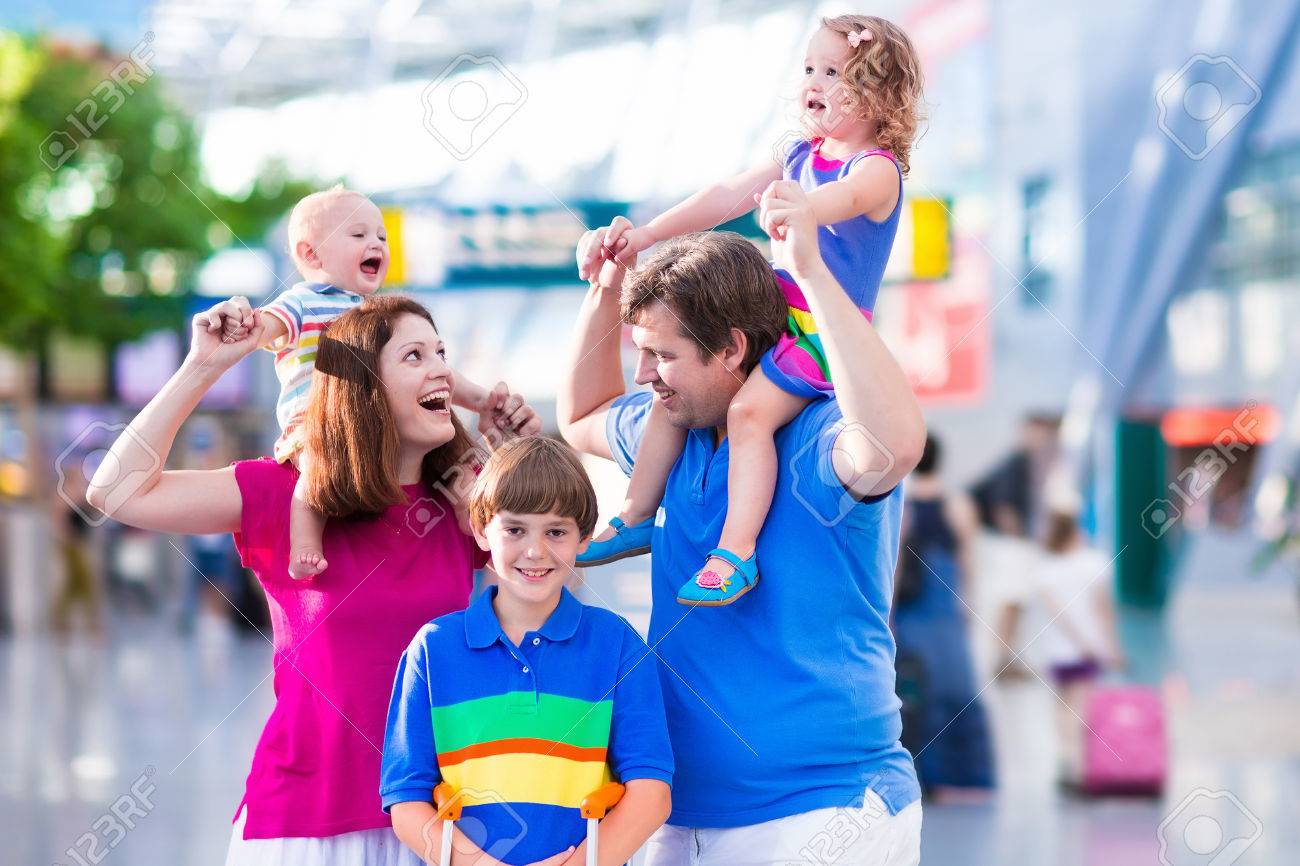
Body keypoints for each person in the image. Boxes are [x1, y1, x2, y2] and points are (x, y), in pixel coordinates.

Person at [87, 294, 538, 865]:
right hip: (305, 821)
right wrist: (202, 365)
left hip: (439, 820)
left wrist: (515, 456)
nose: (442, 368)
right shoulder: (285, 493)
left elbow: (549, 581)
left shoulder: (459, 502)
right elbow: (114, 492)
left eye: (441, 352)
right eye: (415, 355)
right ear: (363, 388)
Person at [558, 178, 926, 865]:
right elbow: (579, 417)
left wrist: (813, 273)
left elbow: (897, 443)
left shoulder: (820, 441)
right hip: (679, 816)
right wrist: (606, 287)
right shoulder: (675, 432)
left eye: (663, 355)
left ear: (731, 349)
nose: (646, 376)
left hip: (825, 813)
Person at [574, 14, 925, 607]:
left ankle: (735, 551)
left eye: (833, 72)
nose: (813, 81)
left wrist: (801, 206)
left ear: (876, 92)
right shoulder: (798, 152)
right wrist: (649, 234)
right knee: (672, 392)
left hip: (818, 333)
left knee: (749, 414)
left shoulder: (875, 171)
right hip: (772, 319)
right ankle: (635, 511)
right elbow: (725, 195)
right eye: (810, 68)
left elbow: (842, 201)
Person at [382, 436, 674, 866]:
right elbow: (406, 799)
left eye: (556, 531)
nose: (535, 551)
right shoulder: (433, 649)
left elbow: (651, 794)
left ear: (584, 538)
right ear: (482, 530)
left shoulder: (617, 644)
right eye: (515, 529)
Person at [218, 185, 498, 580]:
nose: (376, 244)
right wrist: (245, 323)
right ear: (310, 253)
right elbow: (268, 328)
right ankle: (305, 544)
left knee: (455, 464)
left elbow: (438, 372)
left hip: (368, 426)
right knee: (315, 472)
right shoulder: (302, 302)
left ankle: (468, 519)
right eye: (359, 235)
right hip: (315, 424)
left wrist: (483, 400)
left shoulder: (377, 314)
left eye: (381, 236)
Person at [892, 434, 995, 797]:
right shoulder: (958, 503)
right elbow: (968, 559)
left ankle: (924, 775)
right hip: (946, 604)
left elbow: (896, 566)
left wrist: (887, 615)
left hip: (913, 610)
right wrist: (969, 605)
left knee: (914, 691)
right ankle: (965, 775)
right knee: (958, 686)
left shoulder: (900, 502)